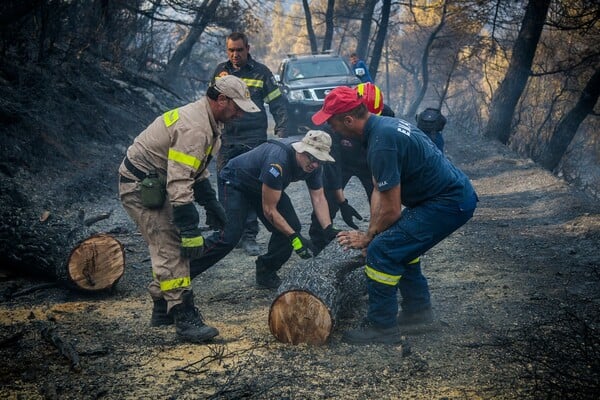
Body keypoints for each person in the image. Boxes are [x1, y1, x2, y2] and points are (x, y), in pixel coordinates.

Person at [311, 86, 478, 345]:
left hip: (448, 202)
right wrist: (373, 228)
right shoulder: (380, 129)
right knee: (399, 244)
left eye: (332, 121)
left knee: (383, 250)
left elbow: (391, 208)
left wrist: (369, 238)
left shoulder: (382, 142)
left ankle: (382, 326)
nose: (331, 128)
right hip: (443, 199)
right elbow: (380, 188)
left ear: (348, 120)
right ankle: (417, 314)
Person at [118, 75, 261, 344]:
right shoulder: (195, 127)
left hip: (158, 181)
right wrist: (189, 226)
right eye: (237, 107)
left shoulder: (208, 120)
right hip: (141, 187)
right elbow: (179, 180)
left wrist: (211, 203)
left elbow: (196, 170)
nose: (240, 114)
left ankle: (162, 309)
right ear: (221, 100)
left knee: (169, 247)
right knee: (170, 247)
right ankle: (185, 318)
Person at [189, 130, 340, 289]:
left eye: (320, 161)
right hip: (236, 181)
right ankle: (184, 269)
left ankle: (266, 270)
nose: (315, 164)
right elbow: (270, 210)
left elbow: (319, 198)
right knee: (229, 236)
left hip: (265, 186)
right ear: (301, 150)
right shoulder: (278, 161)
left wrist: (327, 228)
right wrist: (294, 237)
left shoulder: (315, 167)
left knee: (291, 226)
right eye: (312, 158)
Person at [211, 32, 289, 256]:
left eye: (239, 50)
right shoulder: (219, 72)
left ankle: (249, 236)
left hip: (254, 139)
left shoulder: (261, 72)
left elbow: (278, 105)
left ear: (248, 49)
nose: (235, 55)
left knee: (252, 186)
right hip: (227, 139)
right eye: (231, 50)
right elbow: (211, 103)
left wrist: (281, 134)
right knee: (225, 184)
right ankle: (228, 232)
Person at [309, 82, 395, 253]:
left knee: (382, 200)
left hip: (370, 163)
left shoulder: (387, 116)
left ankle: (382, 241)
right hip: (344, 162)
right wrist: (343, 203)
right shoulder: (334, 122)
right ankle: (319, 241)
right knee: (328, 198)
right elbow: (333, 165)